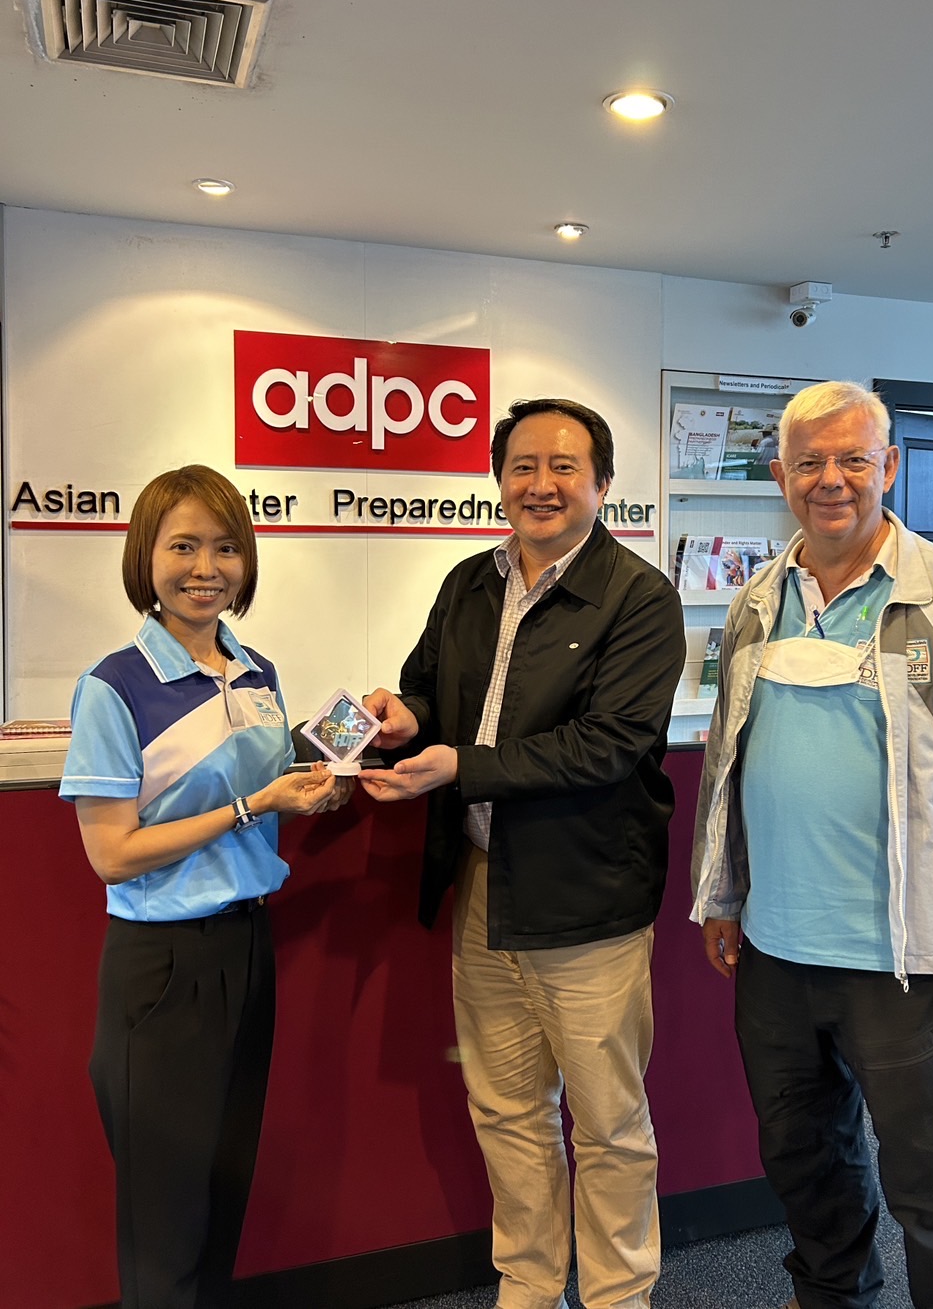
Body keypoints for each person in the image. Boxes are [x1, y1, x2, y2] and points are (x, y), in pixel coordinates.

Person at [691, 381, 933, 1309]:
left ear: (890, 465)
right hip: (777, 950)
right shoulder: (758, 599)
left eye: (853, 458)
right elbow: (728, 759)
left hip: (906, 961)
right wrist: (722, 895)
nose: (831, 479)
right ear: (781, 476)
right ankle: (833, 1298)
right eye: (810, 462)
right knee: (806, 1164)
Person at [361, 398, 685, 1309]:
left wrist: (461, 765)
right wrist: (406, 715)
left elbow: (607, 745)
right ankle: (531, 1283)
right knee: (507, 1110)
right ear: (499, 478)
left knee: (609, 1124)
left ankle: (619, 1295)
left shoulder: (639, 598)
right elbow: (429, 689)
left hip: (587, 899)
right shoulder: (470, 581)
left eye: (564, 466)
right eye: (523, 466)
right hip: (483, 891)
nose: (542, 484)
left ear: (603, 484)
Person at [59, 465, 339, 1309]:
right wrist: (254, 804)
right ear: (146, 557)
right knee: (164, 1213)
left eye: (225, 547)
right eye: (183, 546)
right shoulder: (114, 685)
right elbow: (113, 854)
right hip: (162, 966)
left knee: (223, 1192)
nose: (205, 568)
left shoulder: (256, 671)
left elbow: (267, 792)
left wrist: (316, 786)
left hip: (247, 949)